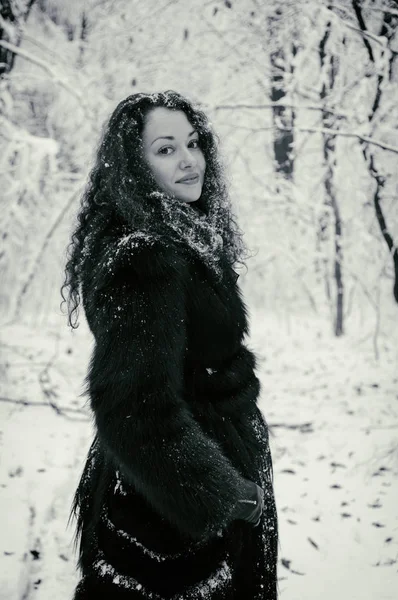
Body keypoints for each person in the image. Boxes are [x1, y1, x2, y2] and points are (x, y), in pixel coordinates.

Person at [61, 90, 278, 599]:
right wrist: (220, 495)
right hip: (170, 515)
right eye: (165, 149)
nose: (188, 160)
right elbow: (131, 405)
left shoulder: (176, 234)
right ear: (133, 165)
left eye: (193, 142)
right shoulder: (146, 259)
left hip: (193, 477)